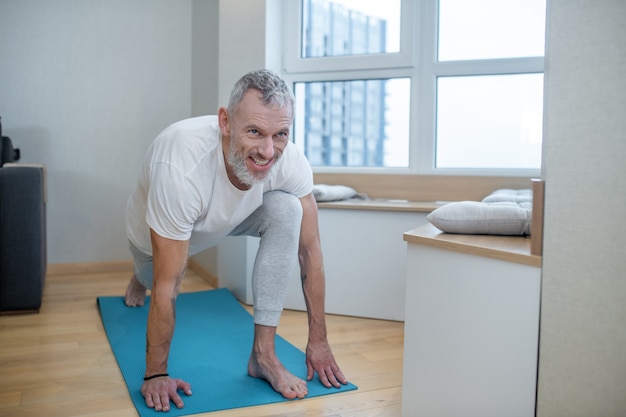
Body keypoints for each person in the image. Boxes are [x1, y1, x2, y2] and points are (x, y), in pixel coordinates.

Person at [123, 69, 348, 412]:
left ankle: (263, 356)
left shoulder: (288, 160)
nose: (267, 150)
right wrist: (156, 375)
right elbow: (168, 285)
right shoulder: (181, 166)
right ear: (225, 122)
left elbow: (310, 251)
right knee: (156, 276)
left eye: (280, 134)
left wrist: (318, 339)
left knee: (288, 209)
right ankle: (137, 279)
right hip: (157, 233)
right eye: (254, 131)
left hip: (229, 216)